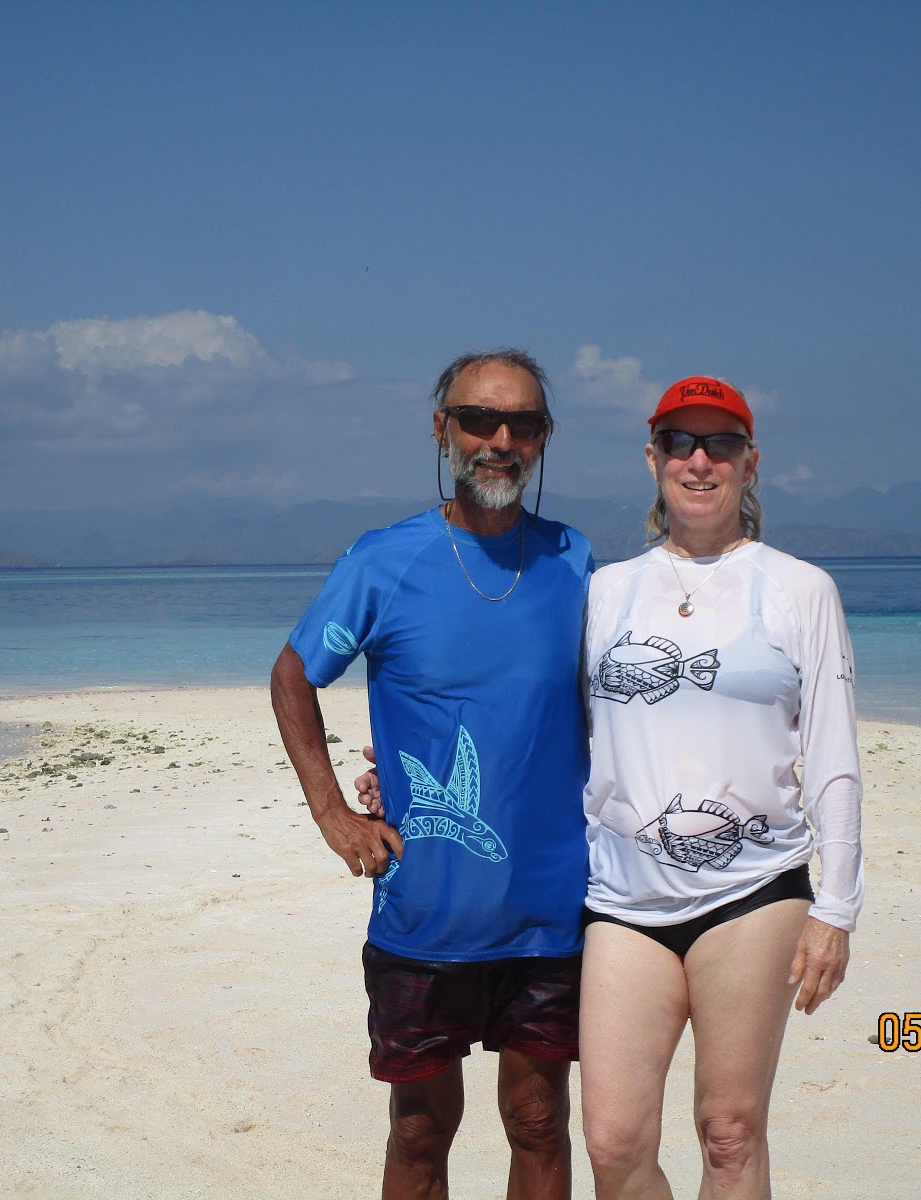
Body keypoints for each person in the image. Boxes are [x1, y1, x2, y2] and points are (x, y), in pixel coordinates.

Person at [270, 349, 594, 1200]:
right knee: (419, 1128)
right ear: (442, 429)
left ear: (544, 437)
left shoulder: (574, 561)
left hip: (551, 910)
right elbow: (295, 674)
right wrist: (334, 813)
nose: (500, 441)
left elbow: (619, 703)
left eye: (521, 424)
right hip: (423, 911)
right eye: (479, 420)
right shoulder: (385, 561)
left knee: (539, 1120)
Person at [579, 376, 863, 1200]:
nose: (699, 461)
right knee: (612, 1142)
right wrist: (406, 762)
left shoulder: (800, 589)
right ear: (653, 458)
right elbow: (548, 726)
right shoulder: (606, 590)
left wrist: (837, 909)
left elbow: (834, 757)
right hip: (622, 898)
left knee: (730, 1133)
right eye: (680, 442)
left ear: (750, 462)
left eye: (721, 443)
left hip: (754, 891)